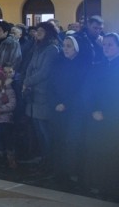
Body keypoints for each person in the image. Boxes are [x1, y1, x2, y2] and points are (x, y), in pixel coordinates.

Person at [83, 33, 119, 199]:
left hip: (113, 119)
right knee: (97, 152)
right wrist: (93, 110)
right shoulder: (98, 66)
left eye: (110, 45)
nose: (106, 48)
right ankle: (99, 184)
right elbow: (88, 91)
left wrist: (107, 113)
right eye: (104, 44)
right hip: (96, 117)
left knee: (112, 154)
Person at [22, 22, 60, 169]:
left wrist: (27, 82)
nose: (37, 33)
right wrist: (26, 81)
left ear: (48, 33)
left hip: (43, 93)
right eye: (37, 30)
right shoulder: (37, 48)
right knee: (37, 129)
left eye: (41, 31)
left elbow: (44, 72)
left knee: (45, 131)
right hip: (33, 94)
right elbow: (30, 67)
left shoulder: (52, 49)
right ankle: (42, 157)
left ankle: (50, 160)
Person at [52, 35, 86, 183]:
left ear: (76, 48)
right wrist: (56, 102)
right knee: (60, 139)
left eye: (69, 46)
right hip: (59, 108)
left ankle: (73, 171)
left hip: (75, 110)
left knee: (73, 141)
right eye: (64, 45)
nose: (65, 49)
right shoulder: (60, 63)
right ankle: (61, 171)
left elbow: (81, 89)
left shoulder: (82, 65)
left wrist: (66, 104)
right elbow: (53, 85)